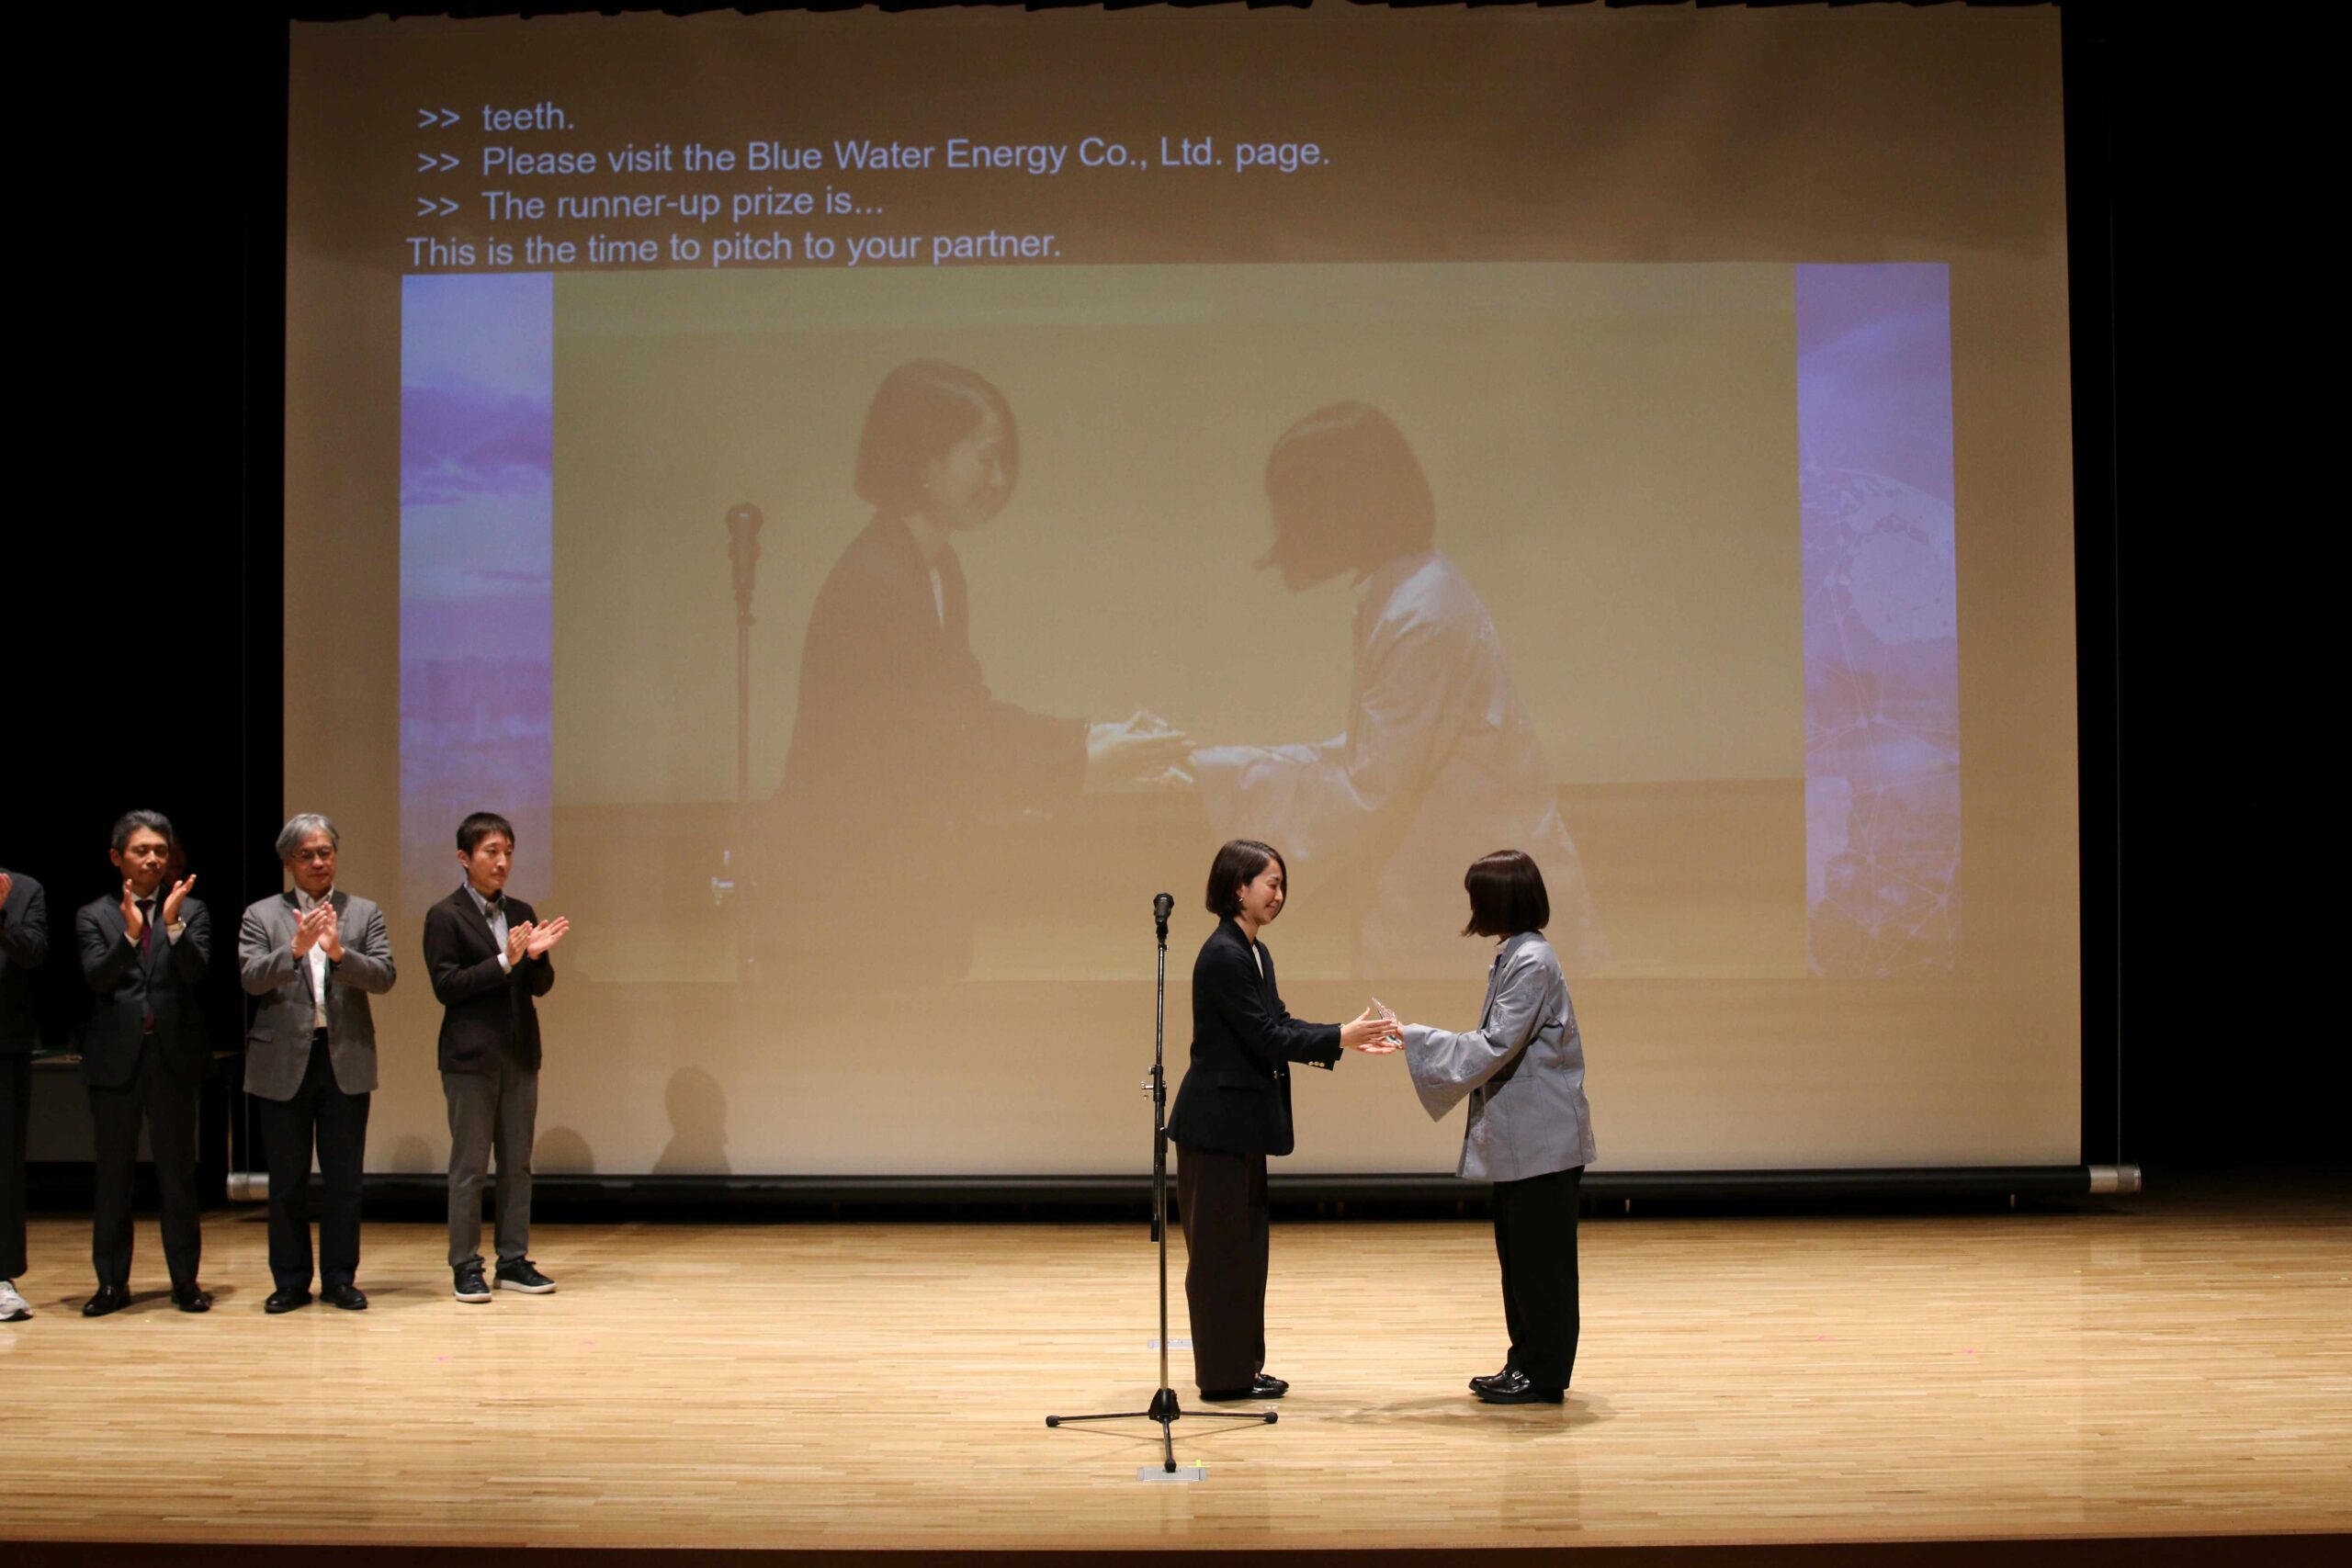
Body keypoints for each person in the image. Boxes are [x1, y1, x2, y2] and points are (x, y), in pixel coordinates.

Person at [770, 358, 1187, 977]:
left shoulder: (936, 566)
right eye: (986, 458)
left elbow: (961, 711)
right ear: (925, 459)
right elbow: (932, 743)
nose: (999, 479)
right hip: (850, 896)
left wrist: (1092, 737)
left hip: (901, 885)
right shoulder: (876, 579)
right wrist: (1082, 756)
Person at [1190, 401, 1601, 978]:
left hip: (1471, 911)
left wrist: (1214, 782)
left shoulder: (1420, 614)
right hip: (1459, 905)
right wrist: (1220, 767)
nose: (1286, 532)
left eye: (1295, 510)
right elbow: (1376, 756)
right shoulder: (1408, 594)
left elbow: (1371, 788)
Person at [1163, 839, 1395, 1402]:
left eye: (1283, 884)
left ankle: (1242, 1367)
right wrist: (1339, 1037)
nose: (1279, 894)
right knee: (1220, 1259)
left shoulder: (1254, 951)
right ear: (1238, 888)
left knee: (1245, 1254)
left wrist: (1341, 1039)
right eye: (1271, 883)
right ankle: (1223, 1378)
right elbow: (1265, 1036)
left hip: (1240, 1128)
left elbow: (1279, 1021)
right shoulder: (1224, 954)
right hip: (1215, 1130)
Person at [1393, 850, 1596, 1404]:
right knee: (1523, 1260)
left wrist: (1414, 1037)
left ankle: (1542, 1372)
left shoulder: (1531, 961)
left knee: (1540, 1265)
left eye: (1477, 897)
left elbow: (1496, 1045)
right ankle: (1525, 1362)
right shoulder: (1518, 954)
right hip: (1527, 1140)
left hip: (1542, 1140)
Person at [237, 814, 395, 1314]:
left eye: (325, 852)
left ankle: (340, 1279)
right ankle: (290, 1281)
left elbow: (384, 976)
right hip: (282, 1061)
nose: (318, 862)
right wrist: (295, 949)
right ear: (289, 861)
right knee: (286, 1182)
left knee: (344, 1181)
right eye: (306, 855)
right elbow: (250, 978)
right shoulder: (262, 914)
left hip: (343, 1058)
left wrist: (340, 953)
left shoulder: (362, 912)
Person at [422, 812, 568, 1303]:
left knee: (517, 1165)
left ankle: (512, 1260)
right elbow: (447, 986)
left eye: (508, 852)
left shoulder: (521, 910)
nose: (502, 861)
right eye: (491, 852)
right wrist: (505, 960)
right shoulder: (444, 915)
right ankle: (466, 1265)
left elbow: (539, 987)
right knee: (469, 1168)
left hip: (519, 1053)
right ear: (464, 858)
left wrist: (536, 958)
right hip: (469, 1058)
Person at [74, 811, 211, 1316]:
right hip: (116, 1060)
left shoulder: (191, 910)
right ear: (117, 858)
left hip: (172, 1058)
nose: (153, 858)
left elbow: (196, 973)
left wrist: (172, 925)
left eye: (160, 850)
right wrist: (130, 936)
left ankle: (185, 1282)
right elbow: (98, 979)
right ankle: (111, 1283)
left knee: (178, 1176)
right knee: (113, 1177)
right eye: (141, 850)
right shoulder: (95, 914)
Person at [1, 863, 47, 1322]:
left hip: (4, 1045)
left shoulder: (23, 890)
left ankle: (2, 1277)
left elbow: (32, 954)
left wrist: (0, 917)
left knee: (4, 1165)